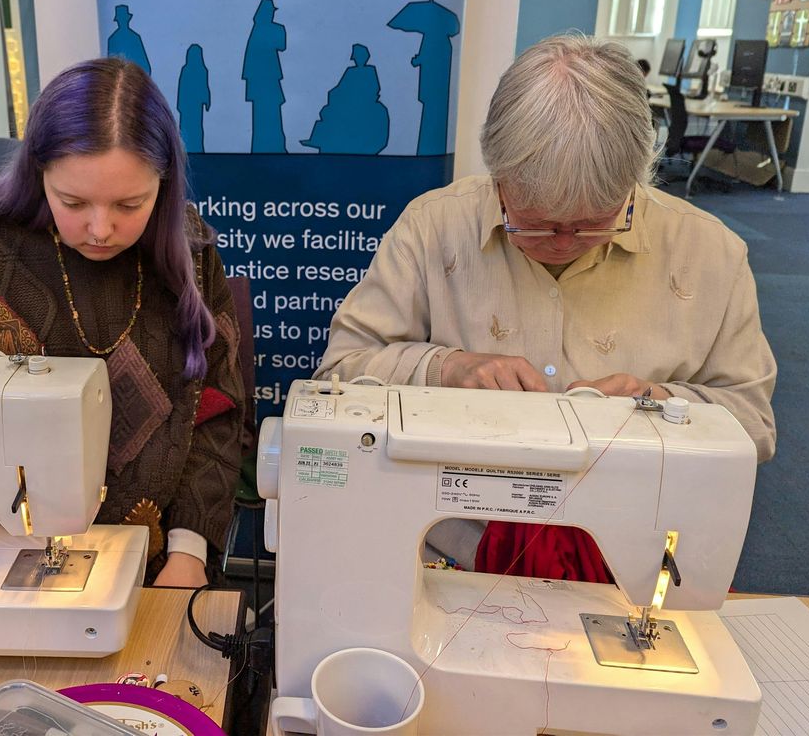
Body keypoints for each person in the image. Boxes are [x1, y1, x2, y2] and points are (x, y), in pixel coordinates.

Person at [315, 34, 776, 580]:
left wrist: (659, 403)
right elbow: (338, 375)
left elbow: (752, 424)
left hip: (634, 555)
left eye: (591, 224)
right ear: (499, 176)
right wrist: (446, 368)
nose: (561, 241)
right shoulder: (434, 228)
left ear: (635, 180)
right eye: (534, 223)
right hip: (453, 547)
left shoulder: (709, 254)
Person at [0, 58, 244, 588]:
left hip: (153, 559)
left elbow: (216, 409)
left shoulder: (187, 251)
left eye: (130, 203)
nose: (100, 229)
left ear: (163, 184)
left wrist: (189, 549)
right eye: (73, 202)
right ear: (38, 172)